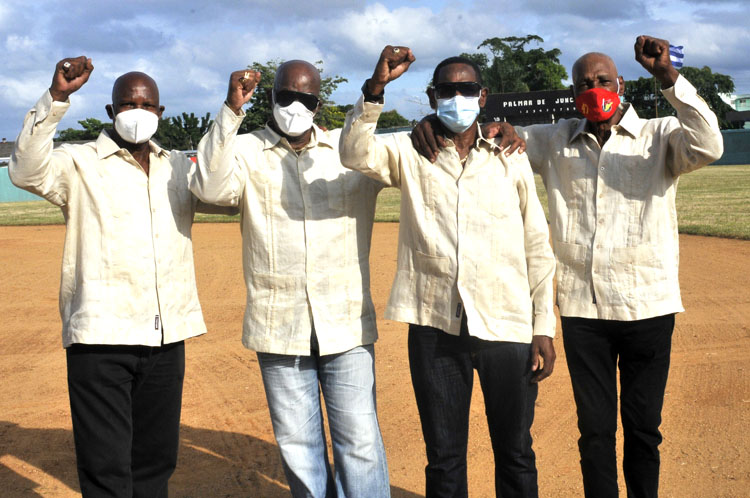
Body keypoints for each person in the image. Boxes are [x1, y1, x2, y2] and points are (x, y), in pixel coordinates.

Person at [410, 35, 724, 498]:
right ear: (573, 92)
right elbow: (488, 136)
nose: (593, 88)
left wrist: (668, 77)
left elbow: (710, 144)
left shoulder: (661, 137)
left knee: (644, 429)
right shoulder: (554, 139)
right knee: (595, 432)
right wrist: (436, 119)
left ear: (620, 84)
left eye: (602, 80)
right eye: (583, 83)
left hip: (647, 306)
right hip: (584, 312)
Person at [338, 46, 557, 498]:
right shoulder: (410, 150)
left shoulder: (508, 153)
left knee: (516, 452)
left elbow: (536, 243)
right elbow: (354, 152)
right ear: (432, 95)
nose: (457, 96)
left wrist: (544, 327)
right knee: (444, 457)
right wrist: (376, 89)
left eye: (467, 88)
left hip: (507, 324)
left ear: (483, 96)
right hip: (437, 327)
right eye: (446, 89)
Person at [9, 57, 217, 497]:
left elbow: (221, 191)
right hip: (101, 337)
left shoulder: (178, 166)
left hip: (165, 336)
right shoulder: (77, 163)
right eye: (126, 104)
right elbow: (25, 171)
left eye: (145, 104)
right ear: (110, 111)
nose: (136, 112)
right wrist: (58, 97)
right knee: (106, 467)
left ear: (160, 113)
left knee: (156, 462)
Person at [189, 60, 394, 498]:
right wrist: (230, 109)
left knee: (359, 443)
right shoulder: (244, 151)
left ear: (318, 105)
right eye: (285, 96)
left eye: (305, 98)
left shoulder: (349, 152)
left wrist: (374, 90)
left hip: (347, 324)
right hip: (278, 324)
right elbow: (208, 188)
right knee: (299, 447)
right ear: (271, 98)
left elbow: (399, 157)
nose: (294, 105)